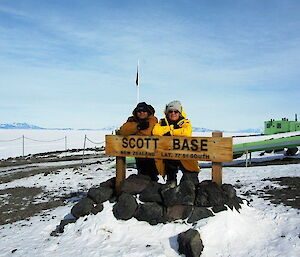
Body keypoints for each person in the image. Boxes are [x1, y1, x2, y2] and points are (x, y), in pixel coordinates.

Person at [152, 100, 200, 185]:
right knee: (171, 181)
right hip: (169, 157)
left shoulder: (185, 122)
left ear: (180, 112)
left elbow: (186, 132)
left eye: (176, 111)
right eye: (170, 111)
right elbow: (156, 132)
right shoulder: (162, 122)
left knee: (190, 181)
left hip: (185, 156)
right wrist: (171, 128)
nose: (173, 113)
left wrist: (170, 132)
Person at [119, 102, 159, 181]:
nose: (142, 113)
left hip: (152, 154)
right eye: (139, 111)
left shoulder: (152, 119)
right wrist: (138, 126)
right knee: (141, 173)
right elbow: (123, 131)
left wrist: (134, 132)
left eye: (144, 111)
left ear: (148, 112)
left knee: (152, 175)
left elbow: (148, 132)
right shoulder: (132, 120)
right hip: (138, 153)